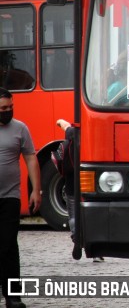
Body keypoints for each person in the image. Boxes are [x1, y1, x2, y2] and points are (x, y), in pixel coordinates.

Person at [0, 87, 40, 308]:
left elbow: (31, 159)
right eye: (3, 108)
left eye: (10, 107)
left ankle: (13, 296)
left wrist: (36, 190)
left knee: (8, 245)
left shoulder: (20, 129)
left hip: (10, 197)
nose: (8, 111)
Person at [55, 119, 103, 263]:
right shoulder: (93, 136)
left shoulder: (72, 133)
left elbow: (62, 123)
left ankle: (77, 239)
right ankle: (95, 249)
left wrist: (60, 122)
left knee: (73, 215)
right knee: (91, 215)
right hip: (90, 183)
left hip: (71, 184)